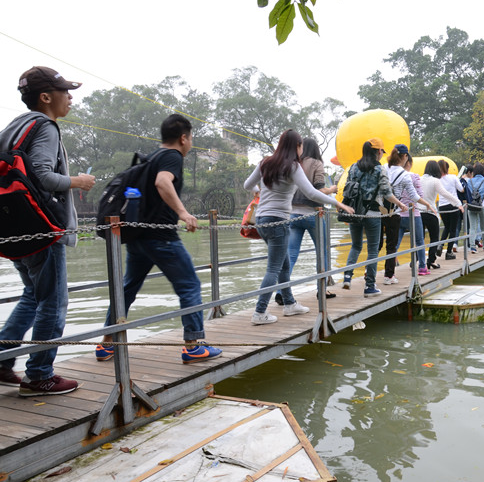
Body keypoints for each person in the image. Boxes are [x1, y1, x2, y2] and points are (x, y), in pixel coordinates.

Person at [0, 66, 95, 395]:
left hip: (12, 226)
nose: (70, 97)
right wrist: (78, 181)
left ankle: (0, 360)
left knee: (31, 295)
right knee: (54, 303)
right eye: (65, 91)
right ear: (45, 97)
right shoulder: (45, 126)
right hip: (42, 228)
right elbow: (42, 176)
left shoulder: (14, 126)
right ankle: (39, 375)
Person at [95, 114, 219, 364]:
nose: (191, 143)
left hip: (138, 236)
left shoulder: (151, 157)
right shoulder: (172, 156)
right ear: (183, 138)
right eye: (191, 138)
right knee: (190, 285)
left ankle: (107, 344)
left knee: (128, 288)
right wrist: (182, 212)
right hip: (161, 236)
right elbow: (163, 182)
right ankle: (194, 345)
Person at [245, 129, 353, 323]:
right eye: (300, 145)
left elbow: (247, 185)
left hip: (261, 220)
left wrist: (258, 193)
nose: (302, 149)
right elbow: (312, 193)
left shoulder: (265, 163)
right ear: (296, 146)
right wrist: (338, 203)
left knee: (284, 264)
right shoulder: (292, 167)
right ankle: (259, 313)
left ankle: (289, 304)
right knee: (273, 269)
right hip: (278, 221)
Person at [342, 139, 406, 295]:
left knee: (356, 246)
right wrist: (401, 205)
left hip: (354, 212)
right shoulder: (379, 169)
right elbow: (387, 193)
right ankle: (369, 286)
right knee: (372, 250)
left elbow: (348, 189)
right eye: (381, 152)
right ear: (378, 152)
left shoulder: (353, 168)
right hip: (372, 213)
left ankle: (347, 277)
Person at [285, 137, 338, 301]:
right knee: (322, 252)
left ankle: (282, 292)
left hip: (293, 214)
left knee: (290, 254)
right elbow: (319, 190)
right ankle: (321, 290)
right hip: (313, 214)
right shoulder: (316, 163)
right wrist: (332, 189)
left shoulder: (294, 163)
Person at [383, 144, 424, 284]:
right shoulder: (406, 175)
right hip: (394, 211)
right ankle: (389, 276)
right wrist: (429, 205)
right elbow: (415, 196)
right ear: (405, 156)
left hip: (378, 210)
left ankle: (367, 273)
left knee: (375, 244)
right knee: (391, 244)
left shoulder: (383, 167)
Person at [396, 155, 436, 275]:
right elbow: (419, 195)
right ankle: (422, 268)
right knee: (419, 241)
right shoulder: (414, 176)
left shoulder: (395, 176)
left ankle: (390, 271)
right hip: (414, 213)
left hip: (398, 213)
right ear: (409, 163)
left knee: (395, 244)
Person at [420, 160, 462, 269]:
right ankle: (431, 261)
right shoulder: (435, 181)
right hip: (431, 212)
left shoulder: (419, 179)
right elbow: (445, 193)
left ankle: (417, 259)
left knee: (420, 238)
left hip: (418, 212)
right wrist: (458, 203)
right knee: (434, 238)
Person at [437, 159, 464, 259]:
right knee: (453, 229)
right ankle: (449, 252)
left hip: (442, 206)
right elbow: (461, 189)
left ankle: (440, 245)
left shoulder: (437, 179)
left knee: (446, 227)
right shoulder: (453, 177)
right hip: (453, 205)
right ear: (447, 168)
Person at [466, 163, 484, 253]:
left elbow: (467, 194)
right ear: (483, 171)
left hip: (471, 205)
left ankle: (472, 247)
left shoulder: (469, 181)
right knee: (483, 227)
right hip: (483, 204)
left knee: (472, 227)